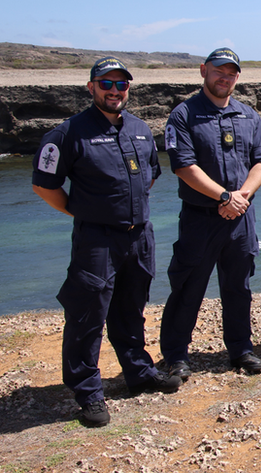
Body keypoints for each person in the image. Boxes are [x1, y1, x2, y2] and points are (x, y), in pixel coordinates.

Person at [32, 57, 181, 427]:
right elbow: (44, 185)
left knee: (131, 307)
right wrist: (84, 213)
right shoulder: (68, 133)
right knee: (86, 315)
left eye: (121, 85)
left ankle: (138, 373)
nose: (114, 91)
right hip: (97, 239)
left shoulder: (142, 129)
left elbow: (149, 176)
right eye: (106, 84)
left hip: (138, 235)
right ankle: (87, 391)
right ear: (91, 86)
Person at [160, 47, 261, 377]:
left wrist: (241, 197)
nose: (225, 78)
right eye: (219, 71)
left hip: (240, 218)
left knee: (238, 287)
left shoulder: (249, 116)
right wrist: (224, 196)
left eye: (231, 73)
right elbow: (183, 166)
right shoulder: (183, 114)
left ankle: (240, 349)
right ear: (203, 71)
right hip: (201, 219)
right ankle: (177, 355)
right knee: (188, 286)